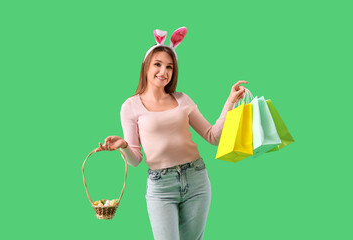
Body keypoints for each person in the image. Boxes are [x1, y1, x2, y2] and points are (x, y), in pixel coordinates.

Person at [95, 27, 248, 240]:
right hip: (160, 186)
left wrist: (230, 102)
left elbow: (213, 136)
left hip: (196, 179)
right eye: (157, 64)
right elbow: (135, 161)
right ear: (146, 66)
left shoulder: (183, 99)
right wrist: (123, 145)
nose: (163, 71)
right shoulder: (130, 106)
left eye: (169, 67)